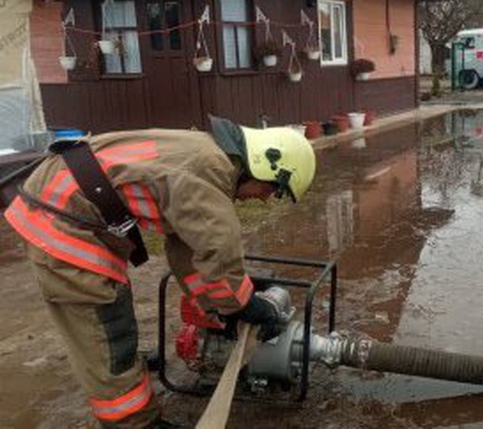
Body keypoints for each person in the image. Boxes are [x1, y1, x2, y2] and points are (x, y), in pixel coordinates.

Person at [3, 116, 316, 428]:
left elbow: (187, 251)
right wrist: (246, 305)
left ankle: (128, 374)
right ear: (265, 165)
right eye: (273, 190)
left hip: (64, 195)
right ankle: (134, 422)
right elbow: (219, 252)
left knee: (113, 321)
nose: (264, 199)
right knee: (107, 329)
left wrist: (217, 304)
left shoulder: (207, 155)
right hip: (62, 217)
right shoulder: (206, 179)